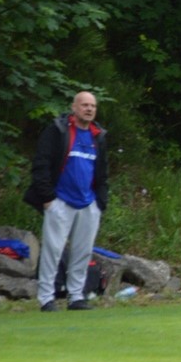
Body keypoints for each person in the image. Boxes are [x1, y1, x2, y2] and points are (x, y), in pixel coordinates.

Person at [24, 91, 109, 312]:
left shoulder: (97, 136)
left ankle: (76, 297)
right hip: (59, 201)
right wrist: (48, 199)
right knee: (53, 250)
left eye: (92, 106)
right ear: (74, 107)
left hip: (88, 203)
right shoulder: (58, 131)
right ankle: (46, 298)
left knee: (83, 251)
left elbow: (103, 173)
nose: (89, 109)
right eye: (84, 105)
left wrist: (100, 202)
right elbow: (41, 164)